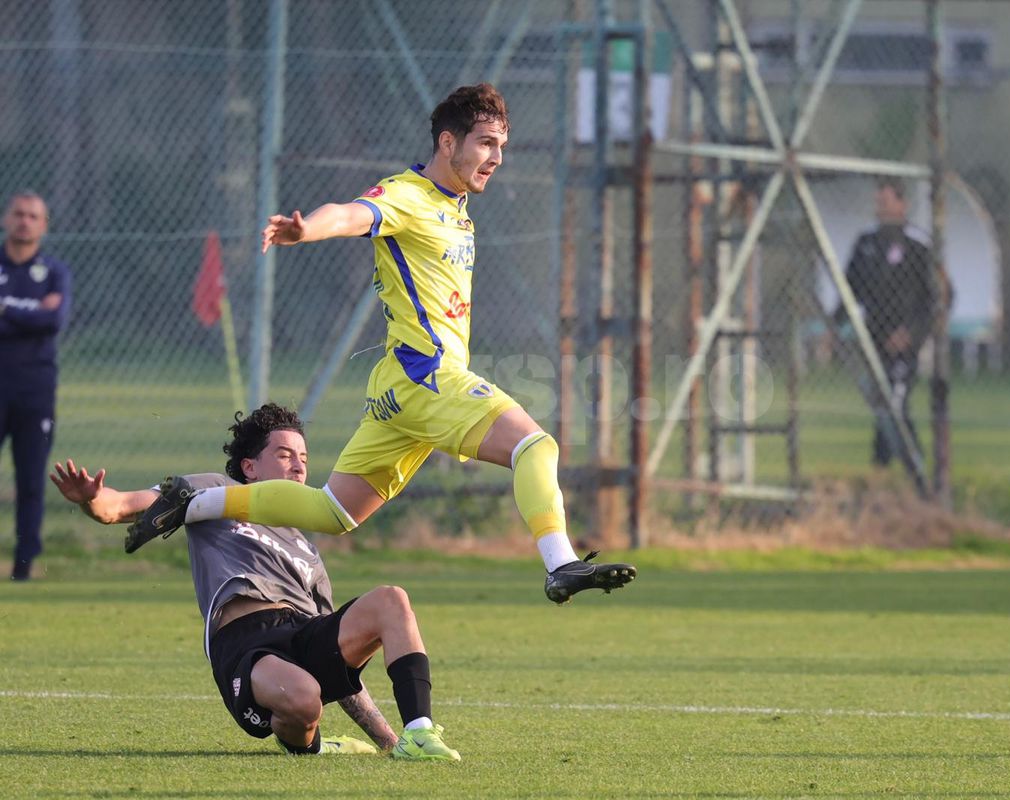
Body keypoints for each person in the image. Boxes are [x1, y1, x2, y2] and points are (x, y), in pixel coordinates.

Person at [127, 83, 636, 604]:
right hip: (426, 376)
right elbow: (352, 214)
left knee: (334, 511)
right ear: (447, 142)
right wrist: (307, 231)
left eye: (501, 146)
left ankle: (196, 502)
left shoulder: (455, 208)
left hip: (399, 382)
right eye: (485, 144)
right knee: (536, 445)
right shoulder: (408, 195)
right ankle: (561, 563)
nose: (496, 158)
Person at [50, 403, 461, 761]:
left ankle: (417, 733)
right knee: (303, 698)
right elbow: (121, 507)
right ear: (250, 467)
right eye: (284, 454)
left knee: (391, 600)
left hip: (302, 635)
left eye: (303, 456)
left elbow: (340, 672)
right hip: (246, 644)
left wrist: (385, 741)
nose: (298, 465)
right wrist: (91, 499)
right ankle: (311, 745)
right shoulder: (216, 492)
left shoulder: (306, 548)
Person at [834, 178, 938, 467]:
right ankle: (894, 470)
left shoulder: (918, 246)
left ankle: (910, 465)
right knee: (883, 405)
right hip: (873, 342)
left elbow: (937, 299)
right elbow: (849, 290)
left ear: (902, 205)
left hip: (905, 345)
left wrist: (912, 333)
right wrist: (834, 325)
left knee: (895, 402)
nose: (879, 209)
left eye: (886, 203)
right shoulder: (866, 244)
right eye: (877, 203)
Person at [2, 191, 72, 581]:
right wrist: (31, 312)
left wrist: (5, 308)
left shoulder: (55, 272)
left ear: (43, 226)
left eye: (33, 216)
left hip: (35, 390)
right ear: (5, 219)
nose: (25, 221)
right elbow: (40, 317)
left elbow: (54, 320)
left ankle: (23, 569)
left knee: (31, 480)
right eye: (18, 214)